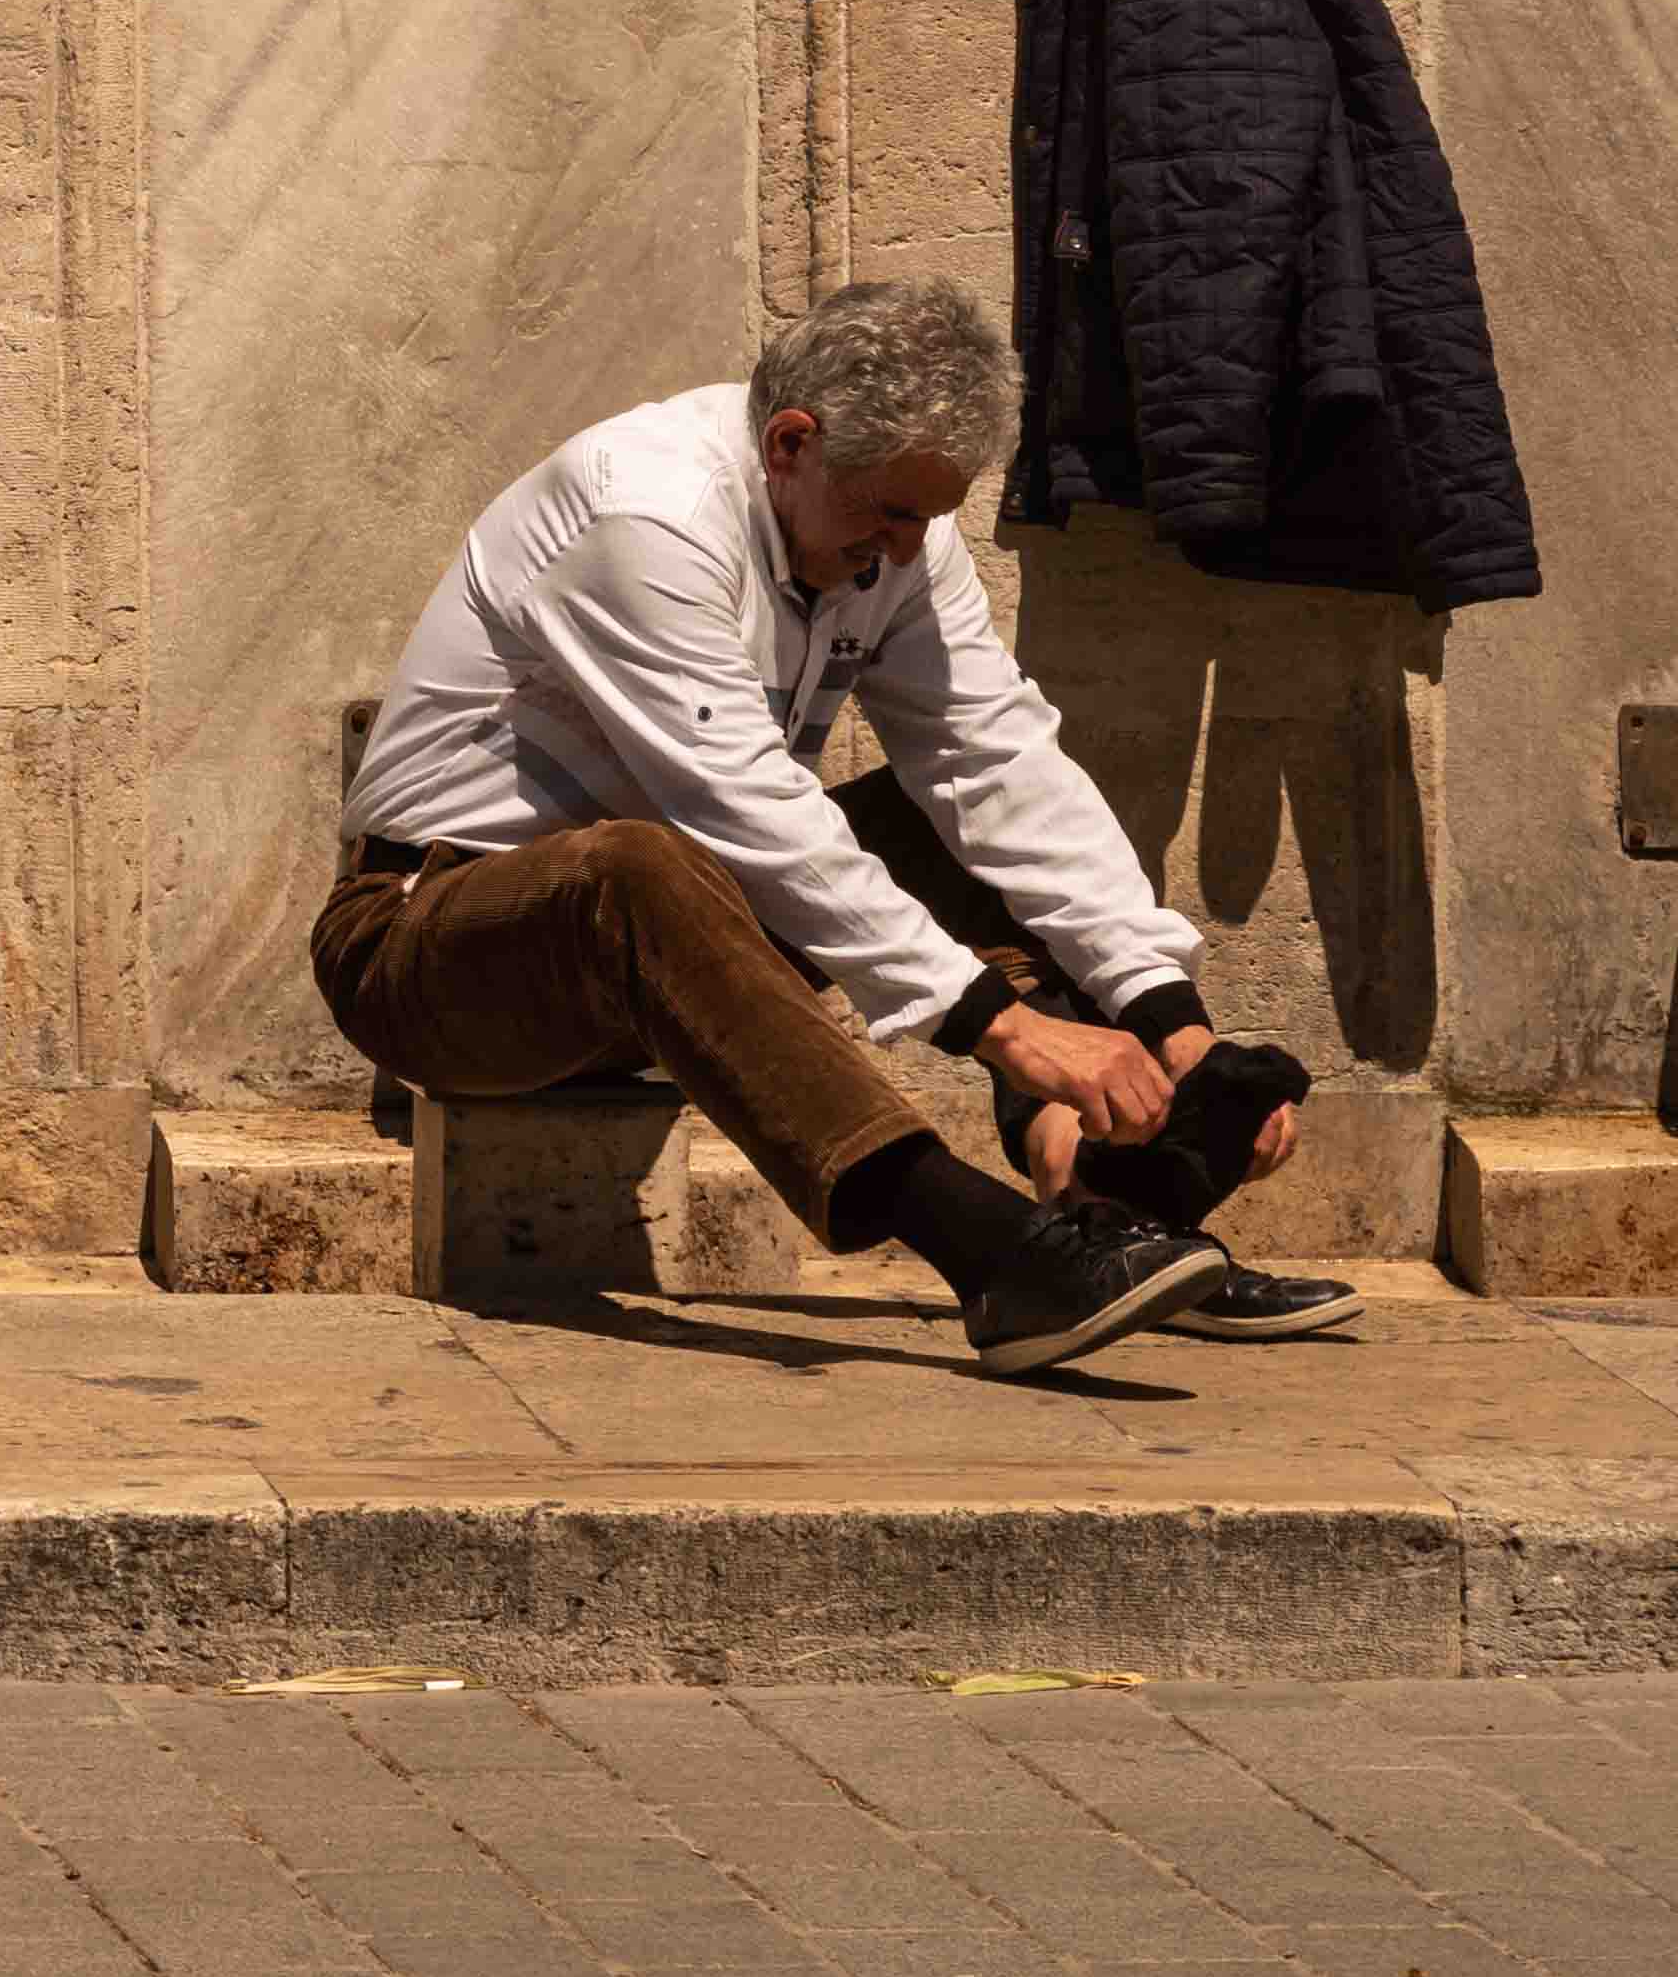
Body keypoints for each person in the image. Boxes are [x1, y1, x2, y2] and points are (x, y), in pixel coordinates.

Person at [324, 275, 1345, 1378]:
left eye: (931, 518)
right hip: (432, 955)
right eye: (890, 515)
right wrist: (1001, 1027)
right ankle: (996, 1258)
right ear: (790, 444)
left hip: (689, 936)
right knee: (635, 868)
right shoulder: (643, 517)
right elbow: (752, 809)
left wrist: (1169, 1019)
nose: (906, 551)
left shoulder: (893, 533)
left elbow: (993, 758)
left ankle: (1120, 1216)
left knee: (962, 816)